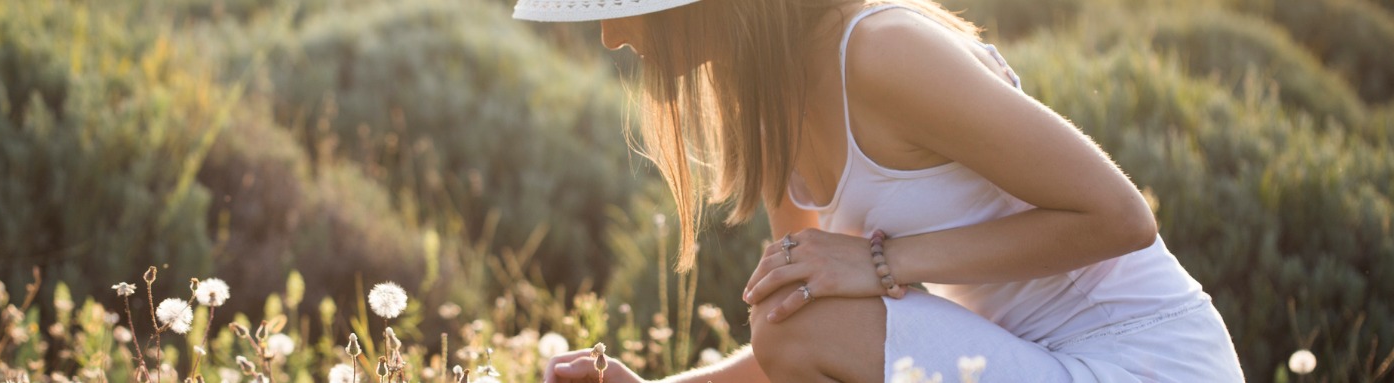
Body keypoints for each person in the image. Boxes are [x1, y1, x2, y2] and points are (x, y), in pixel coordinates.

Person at [516, 0, 1245, 381]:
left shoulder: (878, 52)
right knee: (794, 307)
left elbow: (1121, 216)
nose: (611, 34)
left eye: (619, 1)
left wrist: (885, 262)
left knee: (797, 312)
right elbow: (805, 345)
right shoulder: (765, 99)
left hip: (1140, 364)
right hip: (1023, 363)